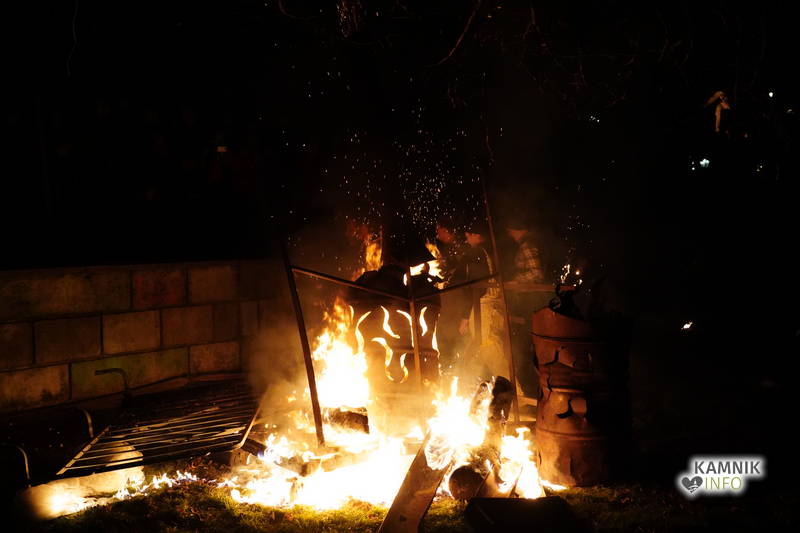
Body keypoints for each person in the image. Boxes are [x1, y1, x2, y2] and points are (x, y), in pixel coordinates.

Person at [504, 215, 549, 399]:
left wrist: (516, 281)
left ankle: (534, 395)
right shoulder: (528, 244)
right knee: (527, 350)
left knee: (526, 351)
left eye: (510, 230)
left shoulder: (527, 245)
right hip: (529, 305)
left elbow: (536, 273)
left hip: (532, 304)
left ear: (517, 230)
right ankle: (536, 394)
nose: (509, 234)